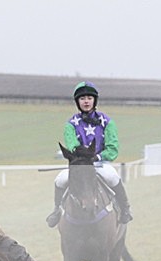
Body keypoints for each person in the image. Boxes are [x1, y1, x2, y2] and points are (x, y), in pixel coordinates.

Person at [46, 82, 133, 228]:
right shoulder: (71, 124)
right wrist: (84, 157)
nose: (86, 101)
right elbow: (72, 144)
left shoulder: (108, 122)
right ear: (77, 102)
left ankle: (125, 209)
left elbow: (112, 148)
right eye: (82, 98)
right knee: (60, 179)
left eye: (89, 98)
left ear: (94, 100)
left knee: (112, 176)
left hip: (100, 163)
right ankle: (56, 211)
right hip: (79, 164)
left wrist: (97, 157)